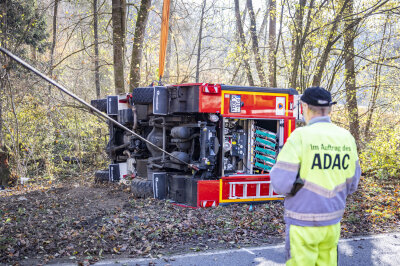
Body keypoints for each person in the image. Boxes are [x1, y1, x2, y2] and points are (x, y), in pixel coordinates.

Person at [270, 87, 361, 266]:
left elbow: (280, 184)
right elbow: (352, 184)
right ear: (330, 109)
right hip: (332, 224)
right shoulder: (346, 138)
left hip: (302, 225)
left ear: (304, 106)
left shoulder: (300, 137)